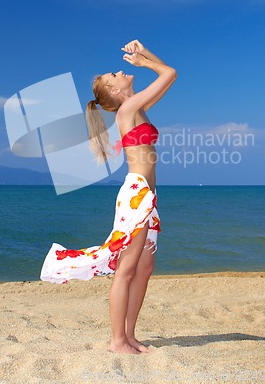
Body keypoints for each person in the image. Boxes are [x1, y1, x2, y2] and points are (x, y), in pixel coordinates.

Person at [40, 40, 176, 354]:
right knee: (127, 269)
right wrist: (145, 62)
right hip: (136, 195)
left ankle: (129, 335)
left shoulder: (137, 107)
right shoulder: (128, 110)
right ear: (115, 92)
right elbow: (168, 72)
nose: (120, 70)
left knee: (143, 269)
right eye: (114, 74)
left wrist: (145, 56)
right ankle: (117, 341)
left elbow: (170, 76)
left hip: (147, 197)